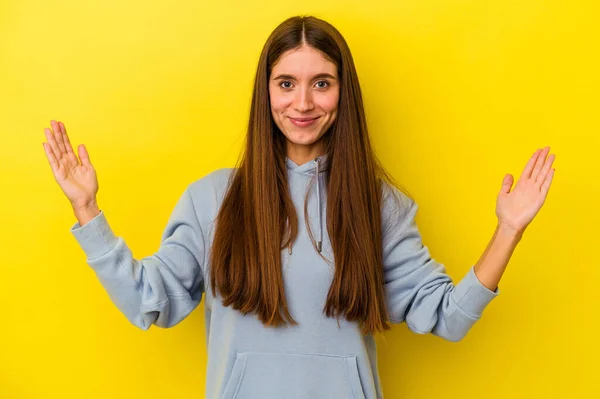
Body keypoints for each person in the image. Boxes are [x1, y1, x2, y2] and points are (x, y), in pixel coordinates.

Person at [42, 15, 555, 399]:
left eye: (321, 84)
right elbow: (149, 301)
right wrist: (87, 211)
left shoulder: (380, 205)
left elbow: (447, 317)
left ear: (342, 93)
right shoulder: (212, 199)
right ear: (266, 93)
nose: (303, 103)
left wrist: (508, 230)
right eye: (286, 84)